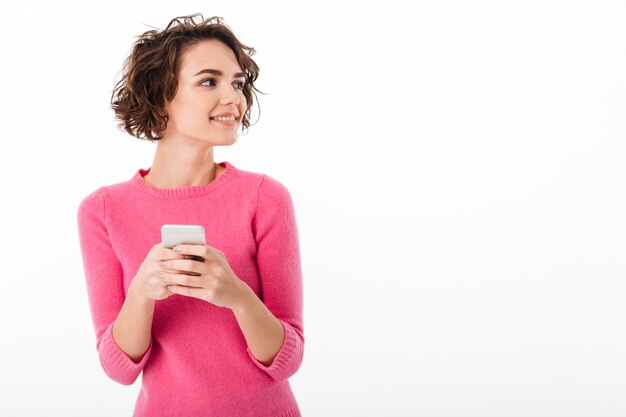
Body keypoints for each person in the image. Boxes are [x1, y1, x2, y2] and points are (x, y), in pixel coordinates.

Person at [76, 13, 304, 417]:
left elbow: (287, 359)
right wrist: (142, 293)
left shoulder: (265, 198)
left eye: (237, 82)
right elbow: (119, 369)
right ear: (161, 95)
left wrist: (236, 296)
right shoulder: (103, 211)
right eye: (208, 81)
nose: (233, 97)